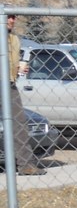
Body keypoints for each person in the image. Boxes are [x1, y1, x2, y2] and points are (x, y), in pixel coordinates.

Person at [5, 14, 43, 175]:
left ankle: (26, 164)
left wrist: (19, 69)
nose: (12, 20)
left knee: (19, 123)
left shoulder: (13, 39)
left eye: (13, 17)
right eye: (8, 17)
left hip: (9, 83)